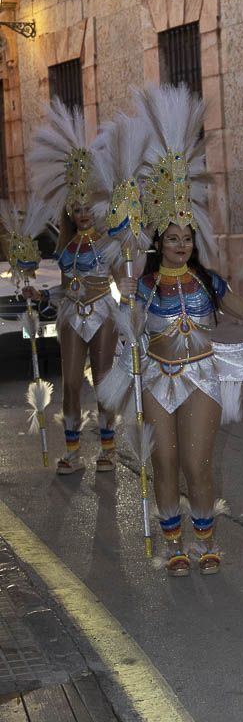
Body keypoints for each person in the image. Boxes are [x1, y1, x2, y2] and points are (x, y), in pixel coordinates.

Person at [103, 84, 243, 574]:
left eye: (187, 238)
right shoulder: (143, 285)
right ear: (159, 242)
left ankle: (206, 538)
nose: (181, 244)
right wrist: (125, 296)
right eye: (172, 237)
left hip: (202, 377)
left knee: (197, 464)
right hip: (158, 379)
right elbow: (130, 331)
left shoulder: (210, 283)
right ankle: (174, 543)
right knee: (163, 462)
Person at [26, 101, 120, 473]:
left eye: (87, 207)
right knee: (68, 382)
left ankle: (109, 450)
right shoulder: (66, 244)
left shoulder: (107, 240)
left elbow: (124, 277)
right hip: (71, 314)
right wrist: (41, 295)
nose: (82, 213)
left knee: (103, 378)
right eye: (76, 208)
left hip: (102, 311)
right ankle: (72, 451)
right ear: (69, 210)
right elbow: (65, 287)